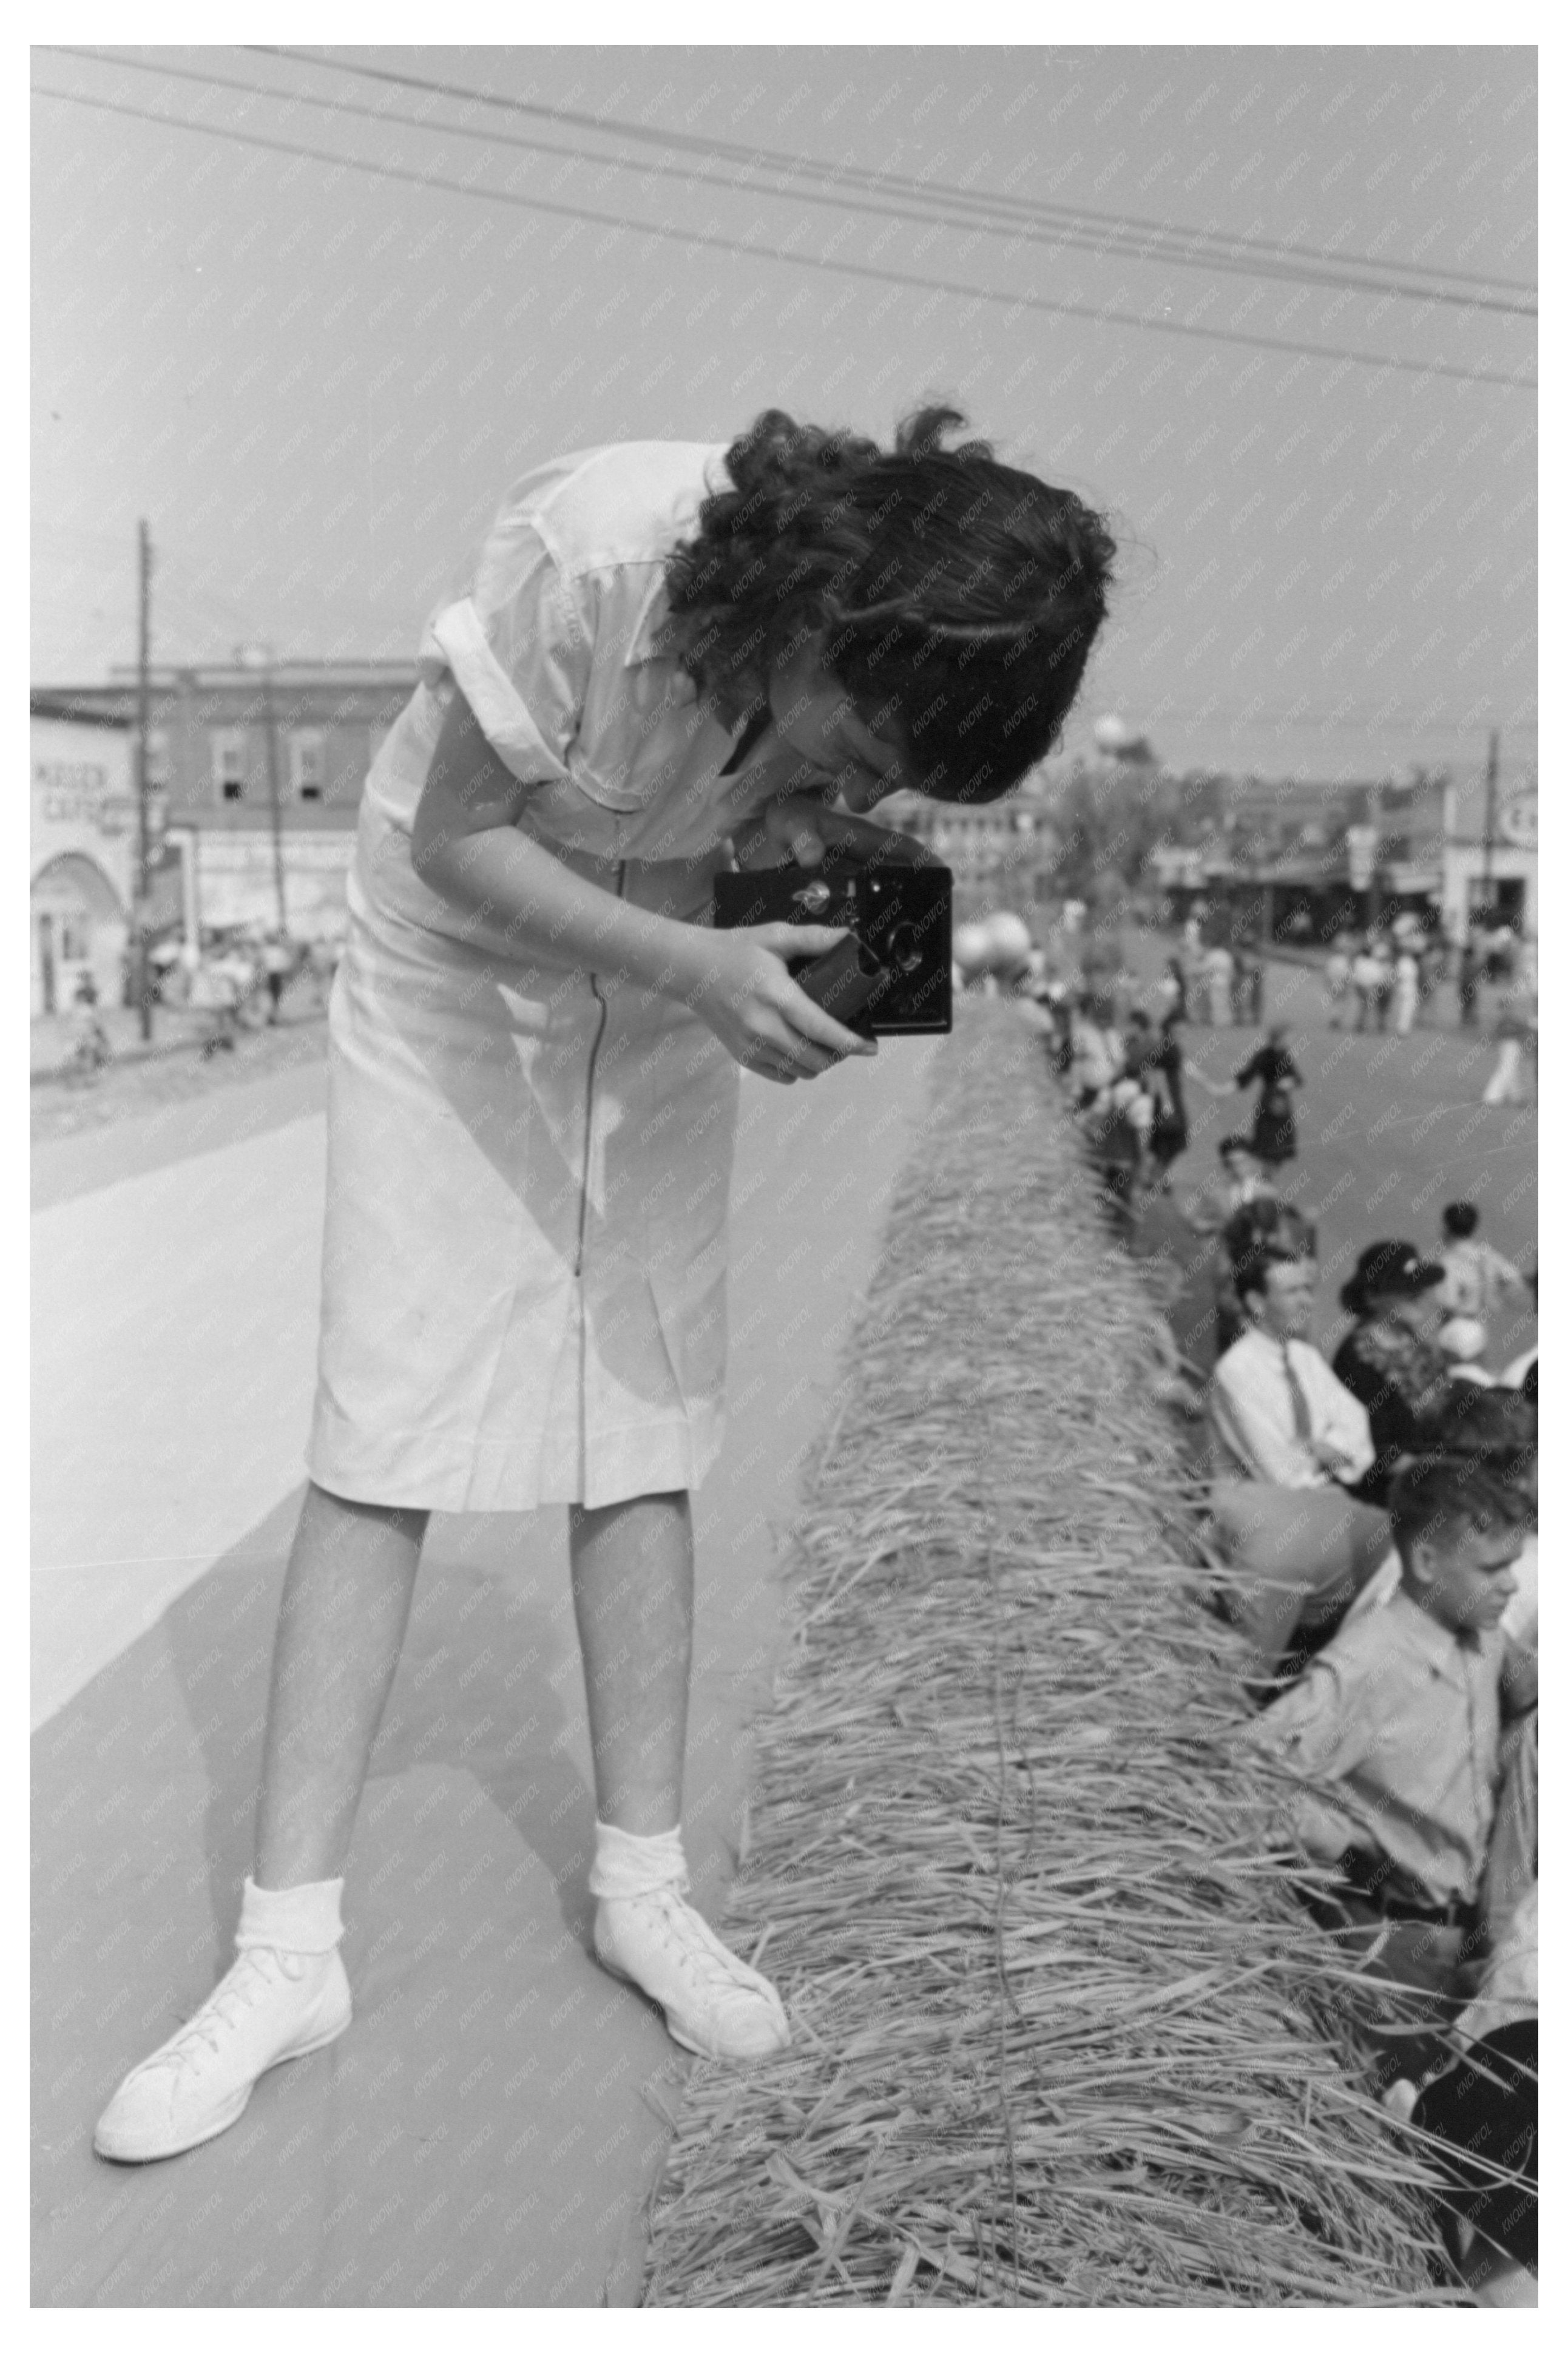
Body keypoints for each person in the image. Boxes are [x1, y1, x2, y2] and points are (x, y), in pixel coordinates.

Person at [92, 405, 1116, 2164]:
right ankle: (288, 1951)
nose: (864, 791)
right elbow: (456, 840)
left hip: (667, 957)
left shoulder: (828, 707)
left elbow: (757, 844)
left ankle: (643, 1888)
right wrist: (698, 960)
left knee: (644, 1401)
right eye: (864, 742)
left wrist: (807, 934)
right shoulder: (600, 551)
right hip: (454, 949)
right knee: (382, 1417)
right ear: (821, 615)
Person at [1207, 1210, 1374, 1493]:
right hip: (1270, 1516)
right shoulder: (1235, 1370)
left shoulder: (1304, 1357)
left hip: (1327, 1498)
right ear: (1257, 1302)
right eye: (1292, 1292)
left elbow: (1357, 1422)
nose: (1306, 1302)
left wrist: (1325, 1450)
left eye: (1306, 1289)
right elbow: (1280, 1471)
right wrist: (1331, 1455)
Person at [1331, 1241, 1453, 1508]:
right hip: (1396, 1500)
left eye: (1422, 1288)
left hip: (1436, 1479)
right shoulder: (1357, 1361)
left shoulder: (1417, 1343)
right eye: (1408, 1292)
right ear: (1373, 1297)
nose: (1421, 1296)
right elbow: (1383, 1455)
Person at [1435, 1202, 1529, 1370]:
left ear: (1446, 1228)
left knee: (1451, 1378)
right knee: (1477, 1375)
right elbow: (1515, 1280)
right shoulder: (1487, 1255)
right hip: (1479, 1324)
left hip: (1455, 1325)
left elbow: (1448, 1302)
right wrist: (1495, 1294)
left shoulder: (1447, 1262)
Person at [1121, 1008, 1188, 1188]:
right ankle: (1153, 1176)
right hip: (1168, 1098)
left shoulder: (1170, 1044)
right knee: (1172, 1138)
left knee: (1166, 1139)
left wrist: (1209, 1084)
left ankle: (1155, 1175)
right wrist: (1167, 1102)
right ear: (1172, 1026)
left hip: (1171, 1096)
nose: (1184, 1028)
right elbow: (1157, 1072)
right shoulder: (1167, 1045)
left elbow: (1181, 1066)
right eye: (1180, 1025)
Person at [1229, 1023, 1302, 1171]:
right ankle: (1262, 1180)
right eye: (1288, 1037)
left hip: (1279, 1104)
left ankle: (1266, 1179)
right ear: (1281, 1038)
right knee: (1269, 1146)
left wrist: (1289, 1082)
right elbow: (1246, 1078)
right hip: (1271, 1103)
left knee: (1275, 1148)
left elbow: (1297, 1079)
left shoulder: (1281, 1055)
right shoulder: (1267, 1056)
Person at [1482, 990, 1530, 1105]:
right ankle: (1491, 1096)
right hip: (1508, 1045)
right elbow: (1504, 1031)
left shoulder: (1508, 1017)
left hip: (1512, 1045)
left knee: (1512, 1069)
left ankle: (1516, 1096)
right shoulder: (1504, 1018)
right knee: (1507, 1069)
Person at [260, 930, 295, 1024]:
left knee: (275, 997)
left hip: (275, 975)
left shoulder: (270, 951)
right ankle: (273, 1017)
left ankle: (274, 1017)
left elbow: (285, 964)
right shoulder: (272, 951)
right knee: (274, 997)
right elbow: (286, 964)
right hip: (272, 975)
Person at [1203, 939, 1234, 1028]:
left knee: (1216, 1001)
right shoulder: (1226, 955)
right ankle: (1227, 1020)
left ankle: (1217, 1020)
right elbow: (1231, 969)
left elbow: (1205, 968)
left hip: (1215, 980)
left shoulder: (1212, 955)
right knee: (1225, 1000)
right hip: (1225, 980)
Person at [1391, 944, 1421, 1035]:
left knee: (1404, 1008)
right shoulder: (1406, 962)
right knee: (1406, 1008)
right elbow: (1401, 976)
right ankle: (1403, 1028)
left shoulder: (1403, 961)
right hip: (1407, 985)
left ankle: (1402, 1027)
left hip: (1405, 985)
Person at [1324, 939, 1351, 1029]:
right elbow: (1346, 975)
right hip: (1341, 984)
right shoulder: (1344, 961)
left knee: (1334, 1002)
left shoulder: (1332, 960)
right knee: (1341, 1003)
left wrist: (1328, 984)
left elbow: (1327, 973)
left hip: (1332, 983)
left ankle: (1333, 1018)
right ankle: (1336, 1020)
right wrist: (1346, 985)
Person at [1457, 935, 1482, 1028]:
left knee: (1465, 1003)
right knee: (1472, 1003)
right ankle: (1471, 1019)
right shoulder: (1474, 963)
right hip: (1472, 985)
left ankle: (1466, 1019)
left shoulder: (1464, 963)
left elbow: (1461, 975)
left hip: (1465, 985)